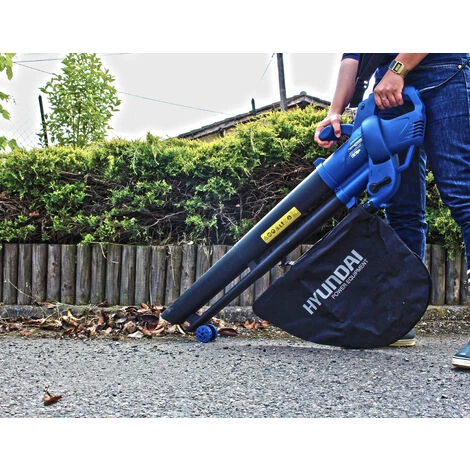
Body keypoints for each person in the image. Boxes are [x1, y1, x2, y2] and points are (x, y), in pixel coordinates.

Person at [314, 53, 470, 369]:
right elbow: (353, 55)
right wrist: (335, 111)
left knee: (461, 193)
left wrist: (399, 69)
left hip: (442, 70)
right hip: (387, 87)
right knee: (401, 208)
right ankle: (399, 318)